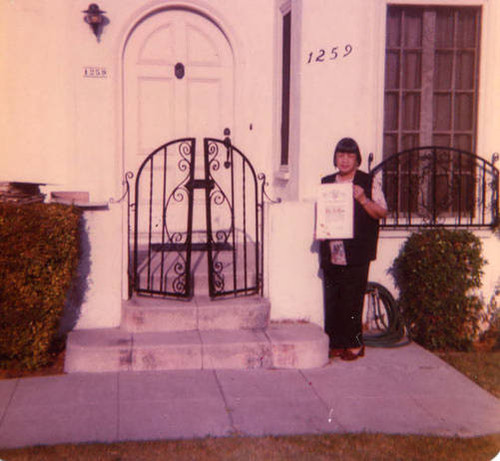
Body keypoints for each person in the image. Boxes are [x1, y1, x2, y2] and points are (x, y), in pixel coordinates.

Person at [319, 137, 388, 361]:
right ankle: (337, 343)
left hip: (357, 250)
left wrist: (363, 199)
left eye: (350, 156)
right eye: (341, 155)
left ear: (357, 159)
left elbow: (382, 212)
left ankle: (355, 344)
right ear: (335, 158)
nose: (345, 160)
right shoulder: (327, 181)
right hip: (333, 249)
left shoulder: (367, 181)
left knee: (352, 297)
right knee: (333, 296)